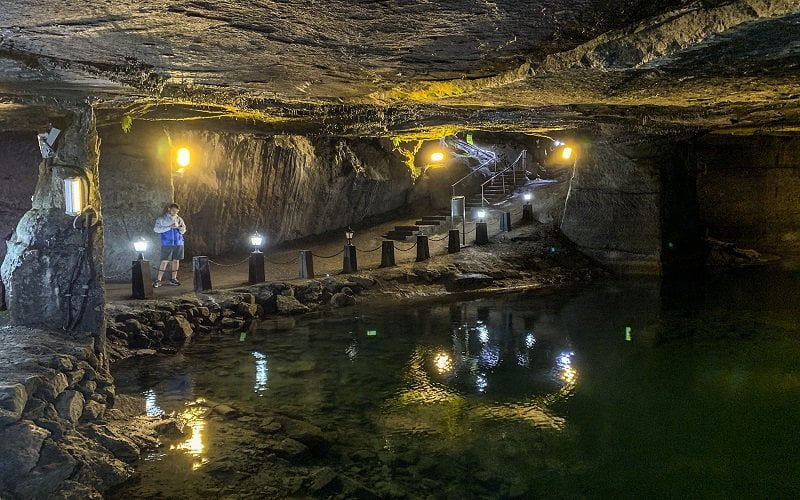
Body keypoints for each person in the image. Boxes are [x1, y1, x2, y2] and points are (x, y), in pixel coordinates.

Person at [153, 203, 187, 287]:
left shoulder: (179, 219)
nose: (174, 212)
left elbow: (183, 230)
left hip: (178, 242)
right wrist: (169, 227)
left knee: (176, 260)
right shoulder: (162, 219)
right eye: (173, 210)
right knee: (164, 261)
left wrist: (180, 228)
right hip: (167, 243)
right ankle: (158, 280)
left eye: (176, 211)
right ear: (169, 209)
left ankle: (173, 278)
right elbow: (156, 229)